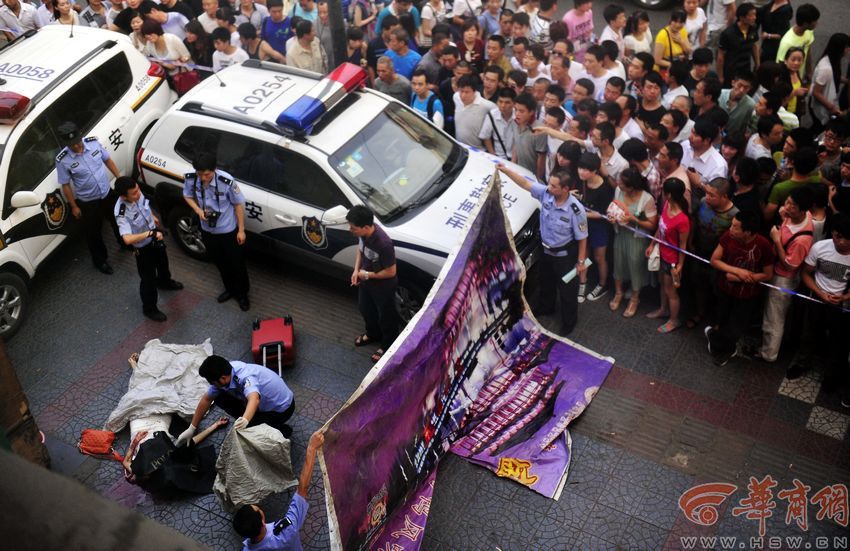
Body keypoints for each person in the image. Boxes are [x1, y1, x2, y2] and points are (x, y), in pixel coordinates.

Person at [498, 164, 587, 335]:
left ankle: (569, 321)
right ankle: (546, 307)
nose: (549, 187)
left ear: (566, 189)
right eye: (550, 184)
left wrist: (581, 262)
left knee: (567, 290)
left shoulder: (576, 210)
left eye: (554, 186)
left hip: (565, 256)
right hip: (545, 251)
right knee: (546, 282)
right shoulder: (546, 193)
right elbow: (524, 183)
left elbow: (583, 238)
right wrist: (505, 170)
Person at [233, 431, 324, 550]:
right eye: (258, 509)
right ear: (262, 519)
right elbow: (303, 489)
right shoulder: (286, 532)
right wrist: (312, 447)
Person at [183, 152, 250, 311]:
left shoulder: (226, 181)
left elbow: (238, 205)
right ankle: (229, 289)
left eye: (207, 174)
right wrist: (198, 210)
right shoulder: (192, 179)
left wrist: (241, 230)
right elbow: (186, 195)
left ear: (214, 169)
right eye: (200, 174)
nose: (203, 178)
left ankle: (242, 294)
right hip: (207, 230)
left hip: (228, 230)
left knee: (236, 263)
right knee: (220, 262)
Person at [179, 355, 296, 446]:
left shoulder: (245, 376)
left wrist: (245, 420)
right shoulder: (226, 372)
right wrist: (192, 428)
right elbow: (206, 399)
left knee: (252, 425)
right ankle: (253, 421)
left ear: (223, 378)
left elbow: (254, 399)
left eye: (212, 382)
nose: (211, 385)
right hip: (260, 404)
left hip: (282, 409)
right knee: (219, 397)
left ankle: (280, 430)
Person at [707, 210, 774, 365]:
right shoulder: (727, 237)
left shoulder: (763, 246)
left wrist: (742, 278)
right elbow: (715, 260)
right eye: (732, 225)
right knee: (722, 320)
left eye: (735, 227)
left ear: (748, 232)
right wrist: (737, 271)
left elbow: (767, 274)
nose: (731, 229)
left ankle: (718, 342)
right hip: (725, 289)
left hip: (747, 295)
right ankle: (720, 345)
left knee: (736, 327)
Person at [55, 121, 123, 275]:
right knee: (94, 233)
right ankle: (100, 261)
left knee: (117, 220)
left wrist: (118, 177)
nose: (77, 147)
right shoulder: (62, 159)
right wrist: (74, 206)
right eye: (72, 145)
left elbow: (107, 160)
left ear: (81, 137)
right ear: (66, 144)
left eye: (78, 142)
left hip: (106, 193)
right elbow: (65, 185)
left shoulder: (93, 143)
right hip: (88, 202)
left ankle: (124, 242)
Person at [757, 186, 815, 363]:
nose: (787, 206)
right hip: (775, 271)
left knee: (774, 317)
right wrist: (784, 219)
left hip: (783, 279)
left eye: (792, 205)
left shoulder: (803, 239)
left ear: (803, 209)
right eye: (787, 201)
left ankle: (768, 354)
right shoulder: (796, 217)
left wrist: (776, 239)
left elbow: (790, 265)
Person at [114, 176, 183, 322]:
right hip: (143, 248)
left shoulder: (137, 193)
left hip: (154, 237)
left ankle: (165, 282)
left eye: (138, 190)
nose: (138, 194)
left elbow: (144, 205)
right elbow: (126, 239)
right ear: (123, 196)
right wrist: (150, 233)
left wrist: (152, 216)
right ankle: (150, 309)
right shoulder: (121, 212)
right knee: (148, 279)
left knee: (163, 263)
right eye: (134, 193)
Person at [800, 212, 850, 407]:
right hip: (816, 299)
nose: (843, 243)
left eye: (847, 239)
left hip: (841, 306)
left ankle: (830, 375)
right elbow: (805, 273)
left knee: (837, 343)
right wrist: (820, 293)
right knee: (808, 333)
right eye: (840, 237)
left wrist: (844, 297)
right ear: (834, 234)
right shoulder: (820, 248)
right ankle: (802, 363)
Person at [347, 206, 400, 363]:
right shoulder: (362, 235)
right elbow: (360, 251)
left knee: (387, 317)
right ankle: (372, 334)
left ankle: (388, 344)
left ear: (366, 227)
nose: (351, 230)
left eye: (353, 228)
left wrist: (368, 274)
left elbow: (391, 272)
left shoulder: (384, 244)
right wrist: (356, 271)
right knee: (365, 308)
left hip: (383, 287)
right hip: (366, 281)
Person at [608, 167, 658, 318]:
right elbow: (614, 208)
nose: (619, 185)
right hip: (620, 234)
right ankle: (618, 292)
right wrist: (612, 218)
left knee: (635, 268)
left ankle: (635, 298)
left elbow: (652, 225)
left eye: (622, 184)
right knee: (619, 264)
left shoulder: (646, 199)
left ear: (632, 187)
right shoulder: (618, 191)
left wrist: (633, 219)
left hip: (637, 239)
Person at [648, 177, 690, 333]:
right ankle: (663, 309)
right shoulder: (666, 205)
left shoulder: (682, 219)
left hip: (672, 261)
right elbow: (661, 227)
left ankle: (674, 320)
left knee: (671, 291)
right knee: (663, 285)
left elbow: (683, 245)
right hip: (662, 254)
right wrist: (653, 244)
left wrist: (680, 265)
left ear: (669, 195)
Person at [575, 152, 613, 303]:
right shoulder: (580, 181)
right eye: (580, 168)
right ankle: (582, 283)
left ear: (595, 171)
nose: (581, 172)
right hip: (583, 225)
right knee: (583, 256)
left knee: (599, 258)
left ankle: (603, 284)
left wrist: (581, 213)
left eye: (586, 170)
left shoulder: (605, 189)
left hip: (599, 227)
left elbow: (604, 215)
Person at [810, 33, 850, 135]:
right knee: (819, 128)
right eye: (847, 47)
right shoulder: (826, 69)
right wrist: (832, 108)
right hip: (822, 106)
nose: (848, 50)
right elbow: (816, 92)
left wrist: (845, 81)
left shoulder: (833, 61)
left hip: (827, 103)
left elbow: (834, 76)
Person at [716, 2, 759, 87]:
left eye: (755, 15)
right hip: (731, 72)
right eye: (751, 15)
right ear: (742, 17)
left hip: (746, 69)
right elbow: (720, 56)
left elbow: (754, 46)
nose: (754, 18)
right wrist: (720, 76)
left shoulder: (753, 28)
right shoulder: (728, 34)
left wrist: (757, 63)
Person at [775, 3, 820, 80]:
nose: (817, 23)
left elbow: (808, 50)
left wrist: (809, 72)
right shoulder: (787, 43)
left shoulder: (808, 31)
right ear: (806, 24)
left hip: (799, 77)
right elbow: (780, 65)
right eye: (815, 21)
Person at [480, 87, 517, 160]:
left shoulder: (518, 116)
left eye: (507, 102)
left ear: (514, 103)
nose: (503, 105)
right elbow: (485, 136)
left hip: (516, 157)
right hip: (498, 156)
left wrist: (513, 160)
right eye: (500, 101)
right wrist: (493, 155)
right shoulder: (492, 115)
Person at [718, 69, 756, 137]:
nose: (742, 90)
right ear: (733, 83)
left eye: (746, 87)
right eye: (739, 85)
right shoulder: (720, 95)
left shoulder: (750, 105)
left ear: (750, 88)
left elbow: (745, 126)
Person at [654, 9, 690, 75]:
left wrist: (681, 42)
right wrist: (675, 66)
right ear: (670, 20)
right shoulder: (662, 35)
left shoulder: (682, 31)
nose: (677, 25)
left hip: (681, 69)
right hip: (667, 71)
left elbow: (688, 51)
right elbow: (657, 60)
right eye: (675, 21)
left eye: (681, 22)